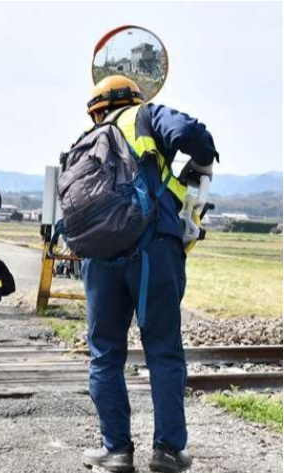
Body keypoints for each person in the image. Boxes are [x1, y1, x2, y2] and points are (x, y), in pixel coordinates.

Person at [79, 76, 218, 473]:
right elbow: (194, 135)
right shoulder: (146, 116)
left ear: (95, 111)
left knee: (105, 354)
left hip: (99, 258)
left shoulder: (84, 142)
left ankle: (116, 451)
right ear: (135, 98)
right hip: (151, 247)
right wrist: (202, 165)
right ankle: (169, 451)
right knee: (162, 349)